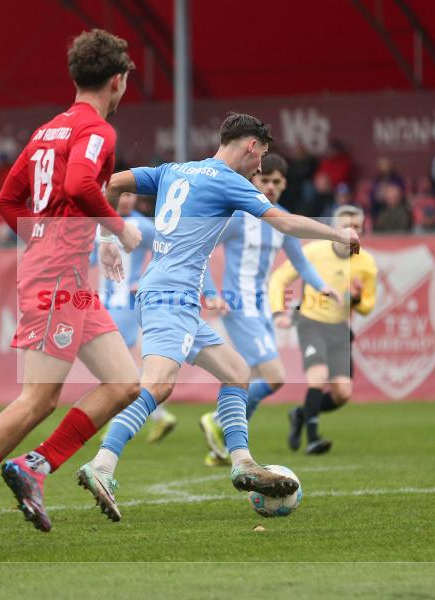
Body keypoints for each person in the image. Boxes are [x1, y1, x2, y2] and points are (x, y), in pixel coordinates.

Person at [0, 29, 143, 556]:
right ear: (118, 80)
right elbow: (80, 188)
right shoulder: (98, 131)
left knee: (125, 382)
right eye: (126, 78)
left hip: (64, 276)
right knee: (38, 398)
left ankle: (32, 466)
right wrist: (116, 230)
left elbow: (7, 198)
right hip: (55, 279)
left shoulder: (47, 131)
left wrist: (51, 240)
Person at [78, 113, 360, 522]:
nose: (260, 168)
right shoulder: (229, 180)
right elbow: (284, 222)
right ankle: (103, 464)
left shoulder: (173, 170)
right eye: (261, 157)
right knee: (157, 385)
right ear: (249, 146)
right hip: (169, 297)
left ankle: (243, 461)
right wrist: (338, 232)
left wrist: (106, 236)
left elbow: (109, 181)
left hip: (175, 296)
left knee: (236, 372)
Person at [198, 153, 333, 466]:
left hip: (259, 306)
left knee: (252, 374)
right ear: (252, 180)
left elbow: (299, 261)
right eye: (264, 180)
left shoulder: (282, 219)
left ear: (284, 183)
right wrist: (211, 294)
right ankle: (219, 421)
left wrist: (320, 285)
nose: (270, 186)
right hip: (238, 305)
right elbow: (200, 252)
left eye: (276, 181)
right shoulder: (237, 217)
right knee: (274, 377)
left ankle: (226, 443)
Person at [269, 205, 377, 454]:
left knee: (342, 393)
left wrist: (358, 299)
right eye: (346, 227)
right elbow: (279, 278)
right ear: (333, 230)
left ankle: (300, 413)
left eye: (357, 227)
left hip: (339, 328)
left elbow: (368, 306)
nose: (352, 232)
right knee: (317, 377)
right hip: (310, 322)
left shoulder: (367, 264)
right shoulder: (314, 252)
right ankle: (313, 439)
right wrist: (279, 312)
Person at [92, 192, 178, 443]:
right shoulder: (102, 224)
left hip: (126, 304)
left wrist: (145, 281)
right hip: (105, 303)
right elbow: (88, 259)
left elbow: (165, 255)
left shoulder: (143, 226)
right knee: (116, 366)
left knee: (114, 365)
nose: (127, 200)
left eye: (132, 194)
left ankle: (120, 419)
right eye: (124, 194)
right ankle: (158, 415)